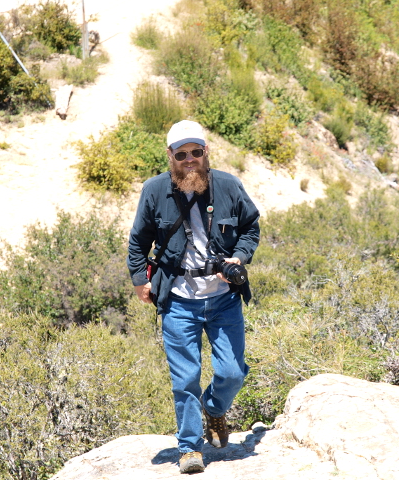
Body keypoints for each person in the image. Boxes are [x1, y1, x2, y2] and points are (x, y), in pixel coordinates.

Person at [127, 120, 260, 474]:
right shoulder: (154, 190)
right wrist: (141, 279)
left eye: (196, 152)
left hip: (224, 298)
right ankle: (189, 448)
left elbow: (250, 228)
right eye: (182, 154)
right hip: (178, 300)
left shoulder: (229, 186)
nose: (190, 160)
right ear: (170, 156)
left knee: (232, 372)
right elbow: (138, 241)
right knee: (185, 378)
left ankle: (214, 409)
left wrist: (239, 257)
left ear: (206, 152)